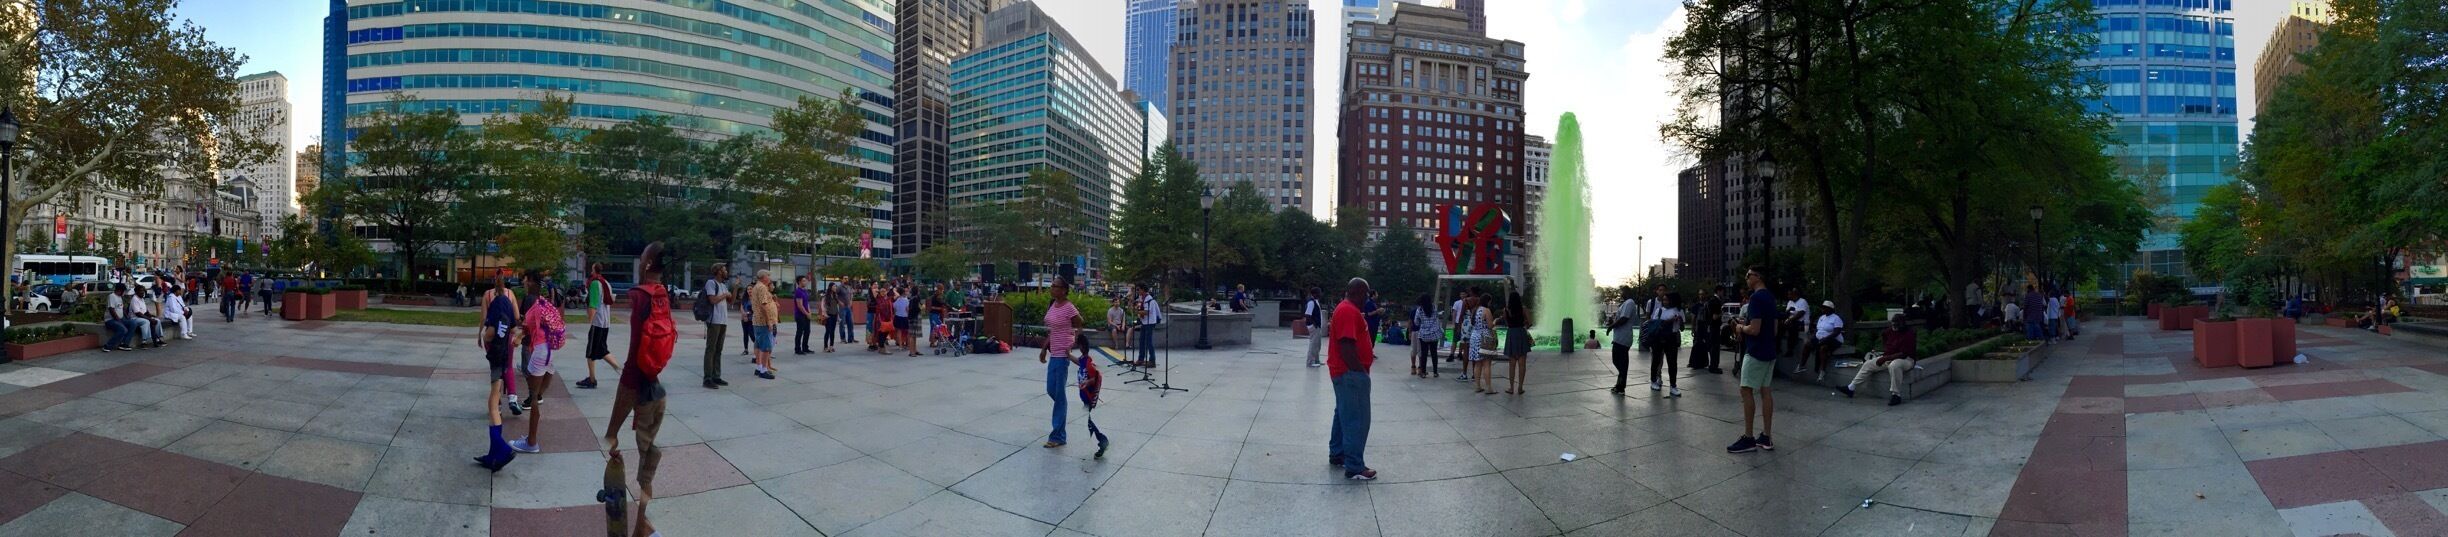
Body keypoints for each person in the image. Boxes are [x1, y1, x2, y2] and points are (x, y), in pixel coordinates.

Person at [604, 241, 676, 507]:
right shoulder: (661, 293)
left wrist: (612, 432)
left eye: (641, 258)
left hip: (643, 394)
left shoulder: (640, 296)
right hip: (657, 390)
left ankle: (643, 527)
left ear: (646, 265)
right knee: (647, 459)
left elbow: (634, 359)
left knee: (645, 476)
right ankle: (643, 526)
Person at [1326, 277, 1378, 481]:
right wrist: (1360, 373)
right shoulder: (1348, 310)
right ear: (1356, 292)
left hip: (1343, 372)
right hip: (1350, 374)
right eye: (1365, 294)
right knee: (1357, 418)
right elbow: (1347, 345)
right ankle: (1355, 466)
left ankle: (1337, 453)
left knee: (1343, 414)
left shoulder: (1345, 308)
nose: (1367, 298)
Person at [510, 272, 566, 453]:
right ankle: (531, 437)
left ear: (531, 281)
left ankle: (531, 442)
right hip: (551, 351)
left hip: (540, 351)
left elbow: (526, 326)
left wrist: (518, 336)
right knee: (538, 395)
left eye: (525, 280)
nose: (523, 283)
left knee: (533, 398)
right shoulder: (543, 301)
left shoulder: (530, 300)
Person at [475, 272, 523, 471]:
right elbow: (514, 325)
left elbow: (490, 332)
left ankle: (501, 448)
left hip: (495, 353)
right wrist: (517, 338)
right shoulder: (508, 300)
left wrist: (485, 336)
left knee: (493, 403)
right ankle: (493, 454)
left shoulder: (493, 303)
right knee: (494, 398)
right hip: (505, 353)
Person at [1729, 266, 1779, 454]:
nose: (1746, 279)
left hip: (1756, 351)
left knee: (1746, 390)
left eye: (1748, 276)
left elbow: (1755, 329)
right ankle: (1766, 436)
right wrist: (1748, 326)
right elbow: (1773, 330)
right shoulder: (1771, 298)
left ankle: (1749, 438)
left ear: (1757, 276)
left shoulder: (1756, 298)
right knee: (1766, 392)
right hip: (1770, 351)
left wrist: (1741, 329)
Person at [1039, 276, 1086, 448]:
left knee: (1058, 395)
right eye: (1052, 286)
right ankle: (1060, 425)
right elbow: (1053, 330)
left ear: (1064, 290)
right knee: (1052, 390)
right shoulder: (1053, 304)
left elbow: (1080, 324)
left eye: (1055, 286)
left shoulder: (1069, 307)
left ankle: (1058, 436)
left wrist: (1074, 342)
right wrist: (1044, 348)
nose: (1052, 288)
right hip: (1053, 354)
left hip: (1062, 355)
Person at [1842, 315, 1918, 406]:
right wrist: (1884, 354)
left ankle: (1896, 395)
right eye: (1893, 323)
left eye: (1897, 324)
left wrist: (1885, 358)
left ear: (1903, 323)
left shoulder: (1909, 334)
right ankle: (1851, 388)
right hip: (1889, 357)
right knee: (1868, 364)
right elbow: (1885, 339)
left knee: (1894, 365)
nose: (1894, 326)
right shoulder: (1889, 331)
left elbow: (1904, 354)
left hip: (1906, 360)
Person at [576, 265, 620, 390]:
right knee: (601, 349)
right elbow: (611, 299)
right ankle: (621, 370)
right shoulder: (606, 282)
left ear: (594, 270)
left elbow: (593, 304)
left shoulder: (595, 283)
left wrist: (590, 320)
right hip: (606, 322)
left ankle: (592, 379)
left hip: (598, 322)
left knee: (590, 352)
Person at [701, 263, 733, 390]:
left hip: (723, 321)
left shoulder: (724, 285)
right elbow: (713, 300)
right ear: (719, 271)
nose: (726, 271)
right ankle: (707, 378)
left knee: (719, 349)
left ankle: (716, 375)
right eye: (724, 269)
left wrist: (735, 288)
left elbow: (732, 300)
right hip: (714, 320)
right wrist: (725, 295)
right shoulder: (711, 283)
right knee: (711, 349)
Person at [1648, 291, 1686, 397]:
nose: (1664, 302)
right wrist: (1670, 320)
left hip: (1672, 338)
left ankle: (1673, 386)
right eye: (1663, 300)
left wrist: (1680, 321)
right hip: (1659, 338)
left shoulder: (1678, 311)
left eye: (1666, 300)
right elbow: (1656, 324)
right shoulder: (1659, 311)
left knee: (1672, 363)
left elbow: (1682, 328)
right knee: (1656, 360)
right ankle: (1653, 381)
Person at [1607, 286, 1641, 394]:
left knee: (1620, 361)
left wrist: (1612, 326)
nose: (1621, 293)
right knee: (1618, 360)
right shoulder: (1626, 303)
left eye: (1622, 291)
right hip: (1620, 337)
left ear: (1627, 292)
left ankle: (1621, 386)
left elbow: (1624, 318)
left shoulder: (1629, 302)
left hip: (1623, 337)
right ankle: (1620, 384)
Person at [748, 270, 780, 379]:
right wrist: (769, 321)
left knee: (758, 344)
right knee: (765, 346)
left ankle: (759, 367)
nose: (770, 278)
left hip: (758, 320)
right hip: (763, 321)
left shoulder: (758, 286)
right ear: (763, 277)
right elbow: (763, 305)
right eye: (768, 275)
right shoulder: (761, 287)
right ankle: (763, 370)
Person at [1501, 292, 1532, 395]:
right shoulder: (1523, 309)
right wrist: (1524, 327)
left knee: (1512, 364)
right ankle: (1520, 387)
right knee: (1522, 364)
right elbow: (1530, 322)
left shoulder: (1506, 310)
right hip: (1521, 333)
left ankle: (1511, 388)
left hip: (1511, 334)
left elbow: (1506, 323)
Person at [1802, 301, 1844, 377]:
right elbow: (1818, 330)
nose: (1822, 309)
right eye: (1822, 307)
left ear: (1830, 309)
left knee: (1823, 348)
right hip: (1820, 338)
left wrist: (1825, 339)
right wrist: (1813, 337)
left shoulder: (1836, 318)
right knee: (1807, 344)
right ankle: (1801, 365)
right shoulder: (1822, 317)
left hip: (1833, 339)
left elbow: (1836, 332)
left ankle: (1822, 370)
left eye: (1824, 307)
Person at [1469, 293, 1497, 395]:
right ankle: (1489, 388)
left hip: (1474, 336)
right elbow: (1490, 325)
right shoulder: (1486, 310)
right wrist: (1495, 321)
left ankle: (1477, 386)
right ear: (1488, 301)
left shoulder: (1475, 310)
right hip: (1484, 337)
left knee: (1477, 363)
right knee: (1486, 363)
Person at [1409, 294, 1441, 378]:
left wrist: (1422, 323)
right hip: (1434, 334)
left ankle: (1423, 372)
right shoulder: (1434, 308)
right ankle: (1435, 372)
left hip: (1423, 335)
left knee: (1424, 353)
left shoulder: (1419, 310)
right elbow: (1437, 317)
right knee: (1434, 353)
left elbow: (1416, 322)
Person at [101, 285, 139, 352]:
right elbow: (111, 309)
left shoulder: (120, 297)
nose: (124, 293)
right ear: (120, 290)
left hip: (120, 319)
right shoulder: (112, 296)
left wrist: (127, 317)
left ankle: (124, 344)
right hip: (111, 320)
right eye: (124, 291)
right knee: (123, 329)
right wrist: (119, 320)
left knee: (133, 323)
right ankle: (107, 346)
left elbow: (122, 308)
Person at [1302, 287, 1327, 367]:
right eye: (1319, 292)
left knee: (1317, 344)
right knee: (1313, 344)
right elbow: (1307, 315)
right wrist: (1314, 325)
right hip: (1314, 327)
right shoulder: (1311, 303)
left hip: (1317, 326)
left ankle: (1316, 360)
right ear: (1315, 294)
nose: (1320, 294)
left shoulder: (1316, 301)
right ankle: (1310, 362)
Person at [792, 276, 814, 355]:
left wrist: (809, 312)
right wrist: (806, 313)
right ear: (799, 282)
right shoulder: (798, 291)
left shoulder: (805, 291)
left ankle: (805, 347)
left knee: (807, 331)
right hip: (800, 315)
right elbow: (800, 305)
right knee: (800, 332)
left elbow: (806, 303)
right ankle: (797, 349)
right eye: (804, 281)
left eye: (806, 280)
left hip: (806, 314)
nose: (806, 282)